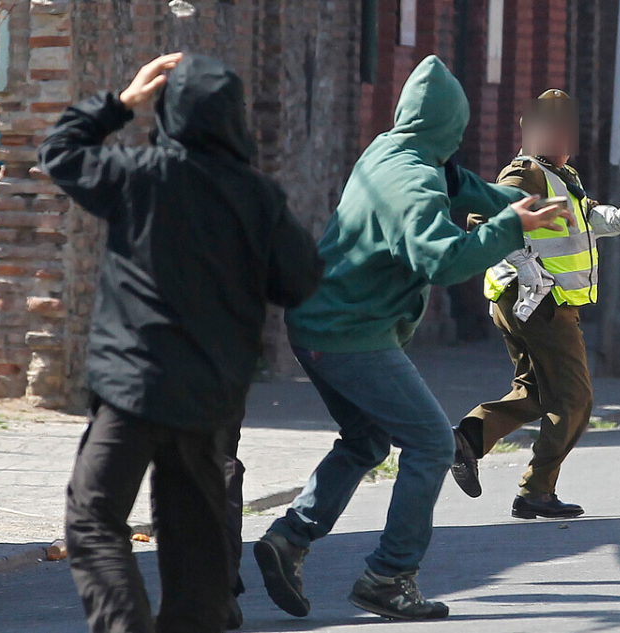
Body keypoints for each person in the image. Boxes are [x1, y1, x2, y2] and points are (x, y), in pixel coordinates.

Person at [252, 55, 570, 622]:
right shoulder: (414, 183)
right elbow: (443, 261)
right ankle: (389, 576)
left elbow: (460, 184)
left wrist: (515, 205)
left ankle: (290, 538)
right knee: (430, 443)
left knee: (366, 439)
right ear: (451, 131)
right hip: (353, 334)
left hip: (318, 324)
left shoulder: (390, 150)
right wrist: (510, 227)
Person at [40, 53, 322, 633]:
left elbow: (60, 152)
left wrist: (120, 104)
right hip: (208, 398)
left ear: (167, 112)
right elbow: (300, 281)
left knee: (94, 520)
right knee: (194, 544)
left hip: (134, 389)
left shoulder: (138, 176)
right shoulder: (258, 198)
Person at [450, 89, 620, 520]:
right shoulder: (526, 174)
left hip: (531, 301)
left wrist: (617, 219)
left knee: (537, 392)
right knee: (575, 398)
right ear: (531, 131)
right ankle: (537, 490)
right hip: (540, 302)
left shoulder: (561, 175)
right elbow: (483, 217)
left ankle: (467, 438)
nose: (560, 138)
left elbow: (585, 215)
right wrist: (523, 264)